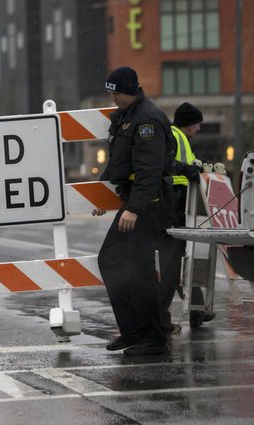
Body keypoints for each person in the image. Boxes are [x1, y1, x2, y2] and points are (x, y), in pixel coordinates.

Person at [93, 66, 176, 356]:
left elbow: (150, 171)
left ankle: (152, 337)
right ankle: (136, 331)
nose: (112, 97)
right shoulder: (127, 117)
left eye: (115, 91)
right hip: (135, 203)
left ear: (129, 90)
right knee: (116, 262)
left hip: (147, 205)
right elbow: (119, 162)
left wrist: (134, 209)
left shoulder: (147, 121)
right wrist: (101, 196)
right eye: (110, 92)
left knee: (134, 269)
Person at [160, 102, 214, 330]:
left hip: (179, 200)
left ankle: (196, 308)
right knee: (174, 257)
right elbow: (166, 162)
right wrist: (186, 170)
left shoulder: (181, 138)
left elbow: (185, 164)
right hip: (175, 200)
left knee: (178, 256)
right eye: (197, 123)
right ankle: (193, 309)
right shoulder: (173, 134)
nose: (199, 128)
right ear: (188, 123)